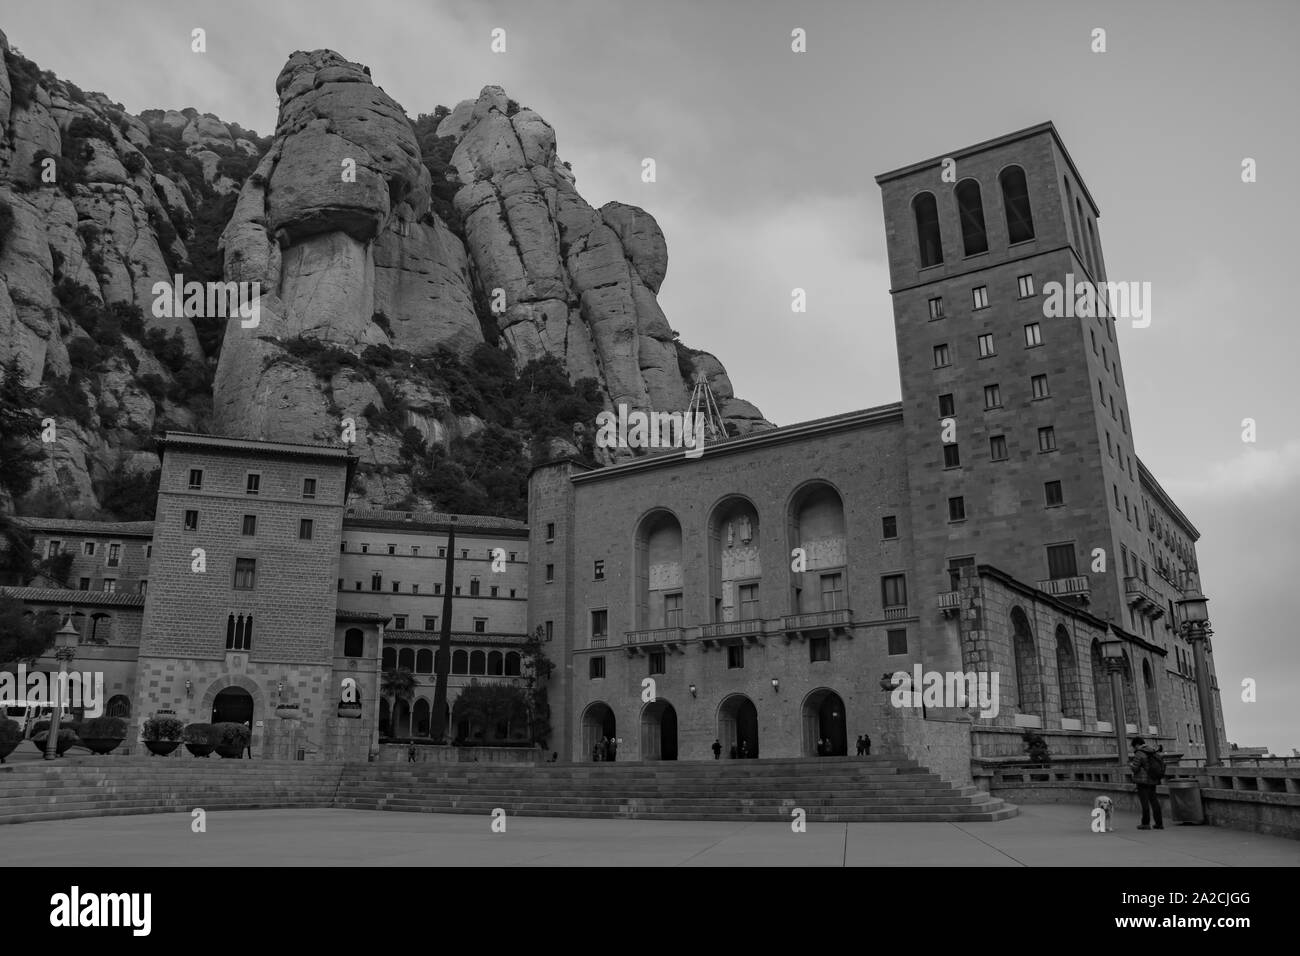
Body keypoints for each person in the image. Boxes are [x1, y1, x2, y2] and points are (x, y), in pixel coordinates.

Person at [1129, 736, 1165, 830]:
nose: (1134, 748)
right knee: (1154, 801)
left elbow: (1135, 768)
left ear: (1137, 744)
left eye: (1134, 746)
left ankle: (1145, 823)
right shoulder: (1153, 751)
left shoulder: (1139, 753)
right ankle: (1159, 823)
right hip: (1153, 780)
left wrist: (1131, 765)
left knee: (1144, 802)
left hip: (1142, 781)